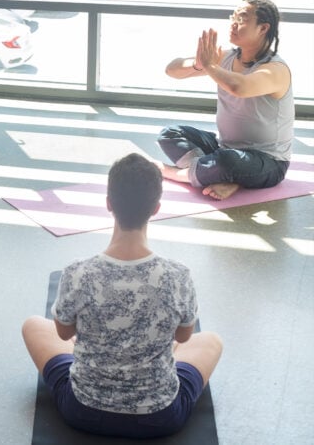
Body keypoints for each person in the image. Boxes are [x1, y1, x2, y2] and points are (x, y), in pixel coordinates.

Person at [22, 153, 223, 439]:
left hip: (82, 410)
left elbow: (64, 332)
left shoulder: (78, 272)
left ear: (108, 203)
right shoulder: (177, 275)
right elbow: (183, 337)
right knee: (211, 341)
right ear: (156, 208)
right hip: (161, 415)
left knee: (33, 324)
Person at [157, 0, 294, 201]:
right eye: (233, 17)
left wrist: (211, 66)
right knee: (170, 134)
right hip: (225, 146)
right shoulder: (226, 57)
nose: (233, 23)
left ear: (263, 28)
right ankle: (218, 176)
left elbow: (239, 87)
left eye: (242, 18)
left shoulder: (275, 69)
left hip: (268, 161)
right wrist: (198, 65)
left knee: (226, 161)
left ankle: (177, 173)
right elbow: (171, 70)